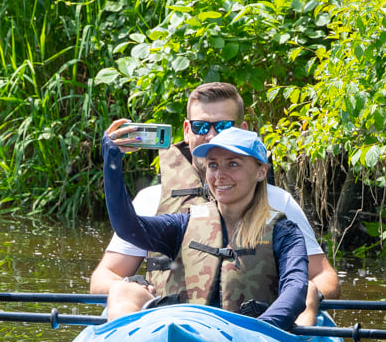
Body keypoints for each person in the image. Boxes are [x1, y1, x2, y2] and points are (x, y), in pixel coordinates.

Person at [89, 82, 339, 325]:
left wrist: (282, 315)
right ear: (187, 130)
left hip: (257, 326)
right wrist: (112, 163)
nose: (211, 134)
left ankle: (302, 339)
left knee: (307, 290)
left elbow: (316, 279)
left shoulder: (280, 216)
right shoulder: (171, 214)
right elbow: (118, 246)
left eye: (223, 126)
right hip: (171, 324)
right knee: (122, 291)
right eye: (200, 127)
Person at [103, 126, 309, 330]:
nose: (220, 175)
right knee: (122, 289)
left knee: (311, 293)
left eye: (233, 164)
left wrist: (261, 331)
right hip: (188, 331)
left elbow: (296, 289)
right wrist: (112, 161)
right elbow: (127, 227)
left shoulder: (285, 233)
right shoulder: (184, 224)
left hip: (251, 336)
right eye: (213, 165)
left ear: (261, 171)